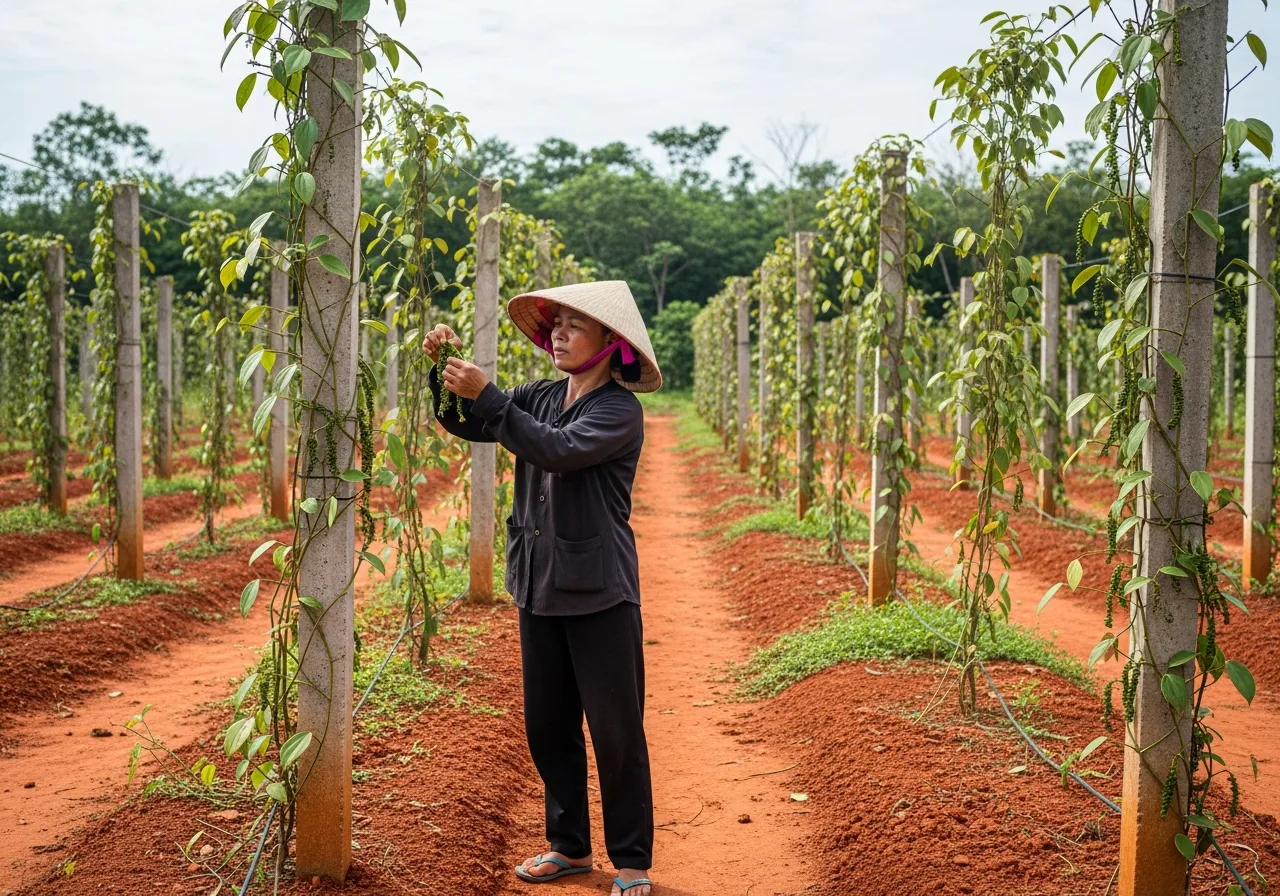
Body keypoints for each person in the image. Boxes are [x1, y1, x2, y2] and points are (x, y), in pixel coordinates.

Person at [421, 280, 662, 896]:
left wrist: (493, 400)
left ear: (611, 343)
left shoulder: (618, 411)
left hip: (600, 592)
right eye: (554, 324)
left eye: (574, 326)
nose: (557, 333)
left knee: (615, 731)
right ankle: (570, 847)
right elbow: (466, 423)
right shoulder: (539, 395)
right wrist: (440, 372)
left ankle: (632, 861)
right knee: (547, 725)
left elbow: (554, 451)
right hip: (537, 582)